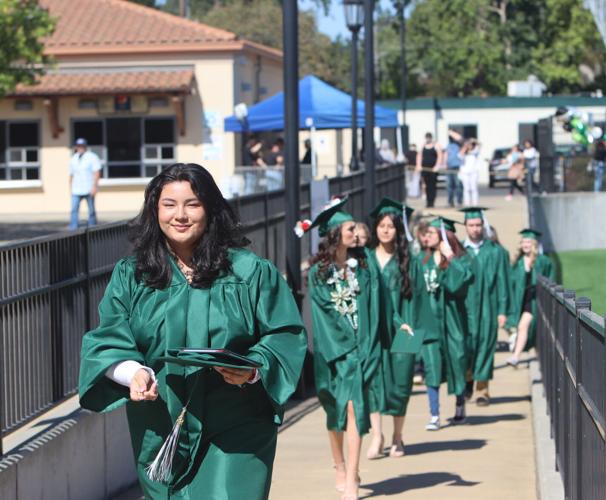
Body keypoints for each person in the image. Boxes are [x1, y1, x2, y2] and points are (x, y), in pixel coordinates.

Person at [78, 163, 307, 499]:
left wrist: (252, 370)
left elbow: (284, 333)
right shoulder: (134, 275)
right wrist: (132, 373)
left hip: (237, 423)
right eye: (169, 205)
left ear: (211, 209)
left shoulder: (249, 272)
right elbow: (109, 337)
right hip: (161, 424)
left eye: (193, 204)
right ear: (155, 210)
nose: (180, 215)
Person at [304, 197, 396, 500]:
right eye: (349, 228)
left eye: (354, 227)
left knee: (356, 411)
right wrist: (345, 346)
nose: (355, 232)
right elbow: (324, 316)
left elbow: (381, 301)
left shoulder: (365, 266)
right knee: (335, 414)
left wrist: (389, 330)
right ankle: (339, 464)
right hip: (336, 354)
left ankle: (354, 477)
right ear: (335, 234)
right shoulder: (318, 274)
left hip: (362, 352)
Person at [365, 197, 434, 459]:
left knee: (401, 383)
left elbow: (418, 301)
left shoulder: (409, 261)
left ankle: (397, 435)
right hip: (375, 331)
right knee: (374, 383)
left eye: (390, 226)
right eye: (381, 225)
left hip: (404, 330)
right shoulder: (367, 259)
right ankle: (377, 435)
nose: (385, 230)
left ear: (398, 230)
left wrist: (418, 333)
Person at [419, 217, 474, 430]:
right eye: (427, 233)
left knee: (457, 363)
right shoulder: (420, 261)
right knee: (432, 367)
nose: (428, 236)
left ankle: (460, 407)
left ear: (444, 237)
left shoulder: (459, 260)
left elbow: (462, 282)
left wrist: (450, 256)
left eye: (433, 233)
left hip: (452, 321)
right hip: (430, 323)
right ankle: (434, 414)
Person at [460, 207, 511, 406]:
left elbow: (503, 282)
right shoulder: (458, 251)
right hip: (464, 308)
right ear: (465, 226)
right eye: (471, 225)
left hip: (488, 308)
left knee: (485, 346)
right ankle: (467, 378)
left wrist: (502, 310)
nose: (475, 229)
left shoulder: (495, 252)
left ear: (483, 226)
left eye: (478, 225)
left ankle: (482, 390)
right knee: (466, 346)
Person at [506, 229, 555, 367]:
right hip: (518, 300)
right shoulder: (517, 262)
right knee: (521, 327)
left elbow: (550, 280)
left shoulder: (542, 261)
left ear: (534, 243)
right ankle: (517, 343)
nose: (526, 244)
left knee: (523, 326)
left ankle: (516, 356)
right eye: (523, 242)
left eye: (528, 241)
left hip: (533, 300)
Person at [69, 138, 102, 230]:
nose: (80, 148)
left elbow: (97, 173)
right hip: (76, 189)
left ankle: (93, 228)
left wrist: (95, 187)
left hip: (88, 188)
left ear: (85, 146)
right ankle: (73, 228)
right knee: (74, 209)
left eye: (82, 146)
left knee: (91, 210)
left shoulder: (92, 157)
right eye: (78, 146)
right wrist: (70, 188)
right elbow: (71, 175)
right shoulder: (73, 158)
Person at [416, 133, 442, 208]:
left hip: (433, 169)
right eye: (427, 137)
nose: (428, 139)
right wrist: (419, 165)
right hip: (425, 169)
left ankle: (432, 201)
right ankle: (428, 201)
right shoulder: (423, 146)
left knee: (432, 186)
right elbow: (419, 155)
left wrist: (437, 166)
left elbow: (440, 156)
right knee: (426, 186)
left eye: (429, 137)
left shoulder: (436, 146)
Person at [445, 130, 465, 207]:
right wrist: (445, 164)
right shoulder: (448, 145)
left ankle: (459, 201)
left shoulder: (459, 145)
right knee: (450, 185)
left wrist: (452, 132)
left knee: (458, 184)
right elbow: (446, 155)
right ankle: (450, 201)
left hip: (457, 167)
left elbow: (461, 139)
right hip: (449, 167)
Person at [459, 138, 482, 206]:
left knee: (473, 188)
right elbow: (460, 155)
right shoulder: (464, 153)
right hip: (465, 172)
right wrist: (465, 146)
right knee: (466, 189)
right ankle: (467, 204)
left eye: (471, 145)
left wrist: (473, 140)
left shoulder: (475, 152)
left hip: (473, 172)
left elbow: (480, 144)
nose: (469, 146)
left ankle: (475, 204)